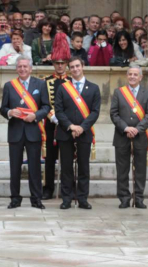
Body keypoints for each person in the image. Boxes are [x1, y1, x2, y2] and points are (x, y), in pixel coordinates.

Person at [0, 56, 50, 209]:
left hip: (33, 131)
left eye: (25, 66)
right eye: (20, 66)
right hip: (15, 132)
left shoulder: (40, 84)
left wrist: (36, 116)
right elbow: (2, 108)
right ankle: (15, 198)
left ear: (30, 68)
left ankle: (36, 198)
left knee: (34, 167)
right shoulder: (9, 86)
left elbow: (46, 107)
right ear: (16, 68)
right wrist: (9, 112)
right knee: (15, 168)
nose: (22, 69)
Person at [55, 56, 101, 209]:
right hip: (65, 132)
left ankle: (82, 199)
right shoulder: (63, 87)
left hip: (85, 133)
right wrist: (71, 126)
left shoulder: (93, 88)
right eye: (72, 67)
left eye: (77, 66)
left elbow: (95, 112)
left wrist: (82, 127)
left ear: (83, 66)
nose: (75, 69)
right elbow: (59, 111)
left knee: (84, 167)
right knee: (66, 168)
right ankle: (66, 199)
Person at [110, 66, 148, 209]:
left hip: (140, 136)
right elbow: (114, 114)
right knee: (122, 169)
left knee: (140, 169)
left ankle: (139, 197)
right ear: (127, 76)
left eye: (136, 75)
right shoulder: (119, 92)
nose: (133, 77)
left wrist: (137, 129)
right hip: (122, 136)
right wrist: (126, 128)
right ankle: (124, 197)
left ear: (140, 77)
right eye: (130, 74)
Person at [42, 34, 72, 200]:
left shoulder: (72, 81)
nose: (60, 66)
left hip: (68, 125)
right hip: (51, 125)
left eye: (62, 63)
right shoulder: (45, 81)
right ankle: (48, 188)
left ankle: (70, 188)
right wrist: (53, 116)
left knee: (68, 158)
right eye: (57, 63)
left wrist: (66, 120)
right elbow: (44, 102)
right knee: (50, 158)